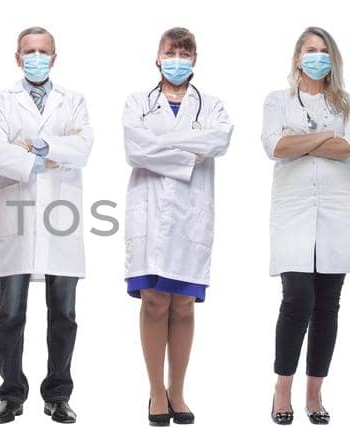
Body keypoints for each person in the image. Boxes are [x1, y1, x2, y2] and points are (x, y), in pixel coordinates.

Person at [260, 26, 350, 426]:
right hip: (293, 212)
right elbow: (274, 145)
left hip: (338, 211)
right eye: (310, 50)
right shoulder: (278, 101)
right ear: (297, 57)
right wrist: (327, 138)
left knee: (328, 305)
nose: (317, 57)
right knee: (297, 301)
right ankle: (282, 388)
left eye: (324, 51)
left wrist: (304, 138)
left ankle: (315, 392)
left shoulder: (347, 103)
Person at [0, 26, 93, 425]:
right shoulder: (0, 102)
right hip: (17, 216)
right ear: (17, 57)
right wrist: (52, 154)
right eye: (29, 51)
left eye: (43, 51)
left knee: (63, 314)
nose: (36, 57)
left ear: (54, 58)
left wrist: (34, 145)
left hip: (61, 218)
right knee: (10, 314)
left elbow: (83, 149)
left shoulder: (74, 101)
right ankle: (11, 395)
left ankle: (58, 394)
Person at [121, 27, 232, 427]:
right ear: (157, 57)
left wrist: (163, 147)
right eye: (170, 51)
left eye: (185, 53)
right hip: (149, 214)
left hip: (191, 216)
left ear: (195, 60)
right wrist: (189, 149)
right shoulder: (138, 103)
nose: (177, 59)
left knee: (182, 303)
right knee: (154, 300)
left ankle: (178, 391)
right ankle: (155, 391)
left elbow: (220, 139)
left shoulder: (213, 106)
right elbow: (136, 150)